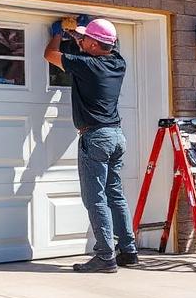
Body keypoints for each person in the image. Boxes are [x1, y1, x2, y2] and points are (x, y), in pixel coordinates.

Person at [44, 15, 137, 273]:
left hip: (95, 138)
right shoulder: (118, 62)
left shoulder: (87, 65)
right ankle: (128, 251)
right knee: (115, 194)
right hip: (116, 136)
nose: (82, 41)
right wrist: (78, 36)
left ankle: (105, 256)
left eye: (86, 39)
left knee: (95, 198)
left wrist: (58, 34)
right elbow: (95, 48)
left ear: (94, 44)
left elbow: (50, 55)